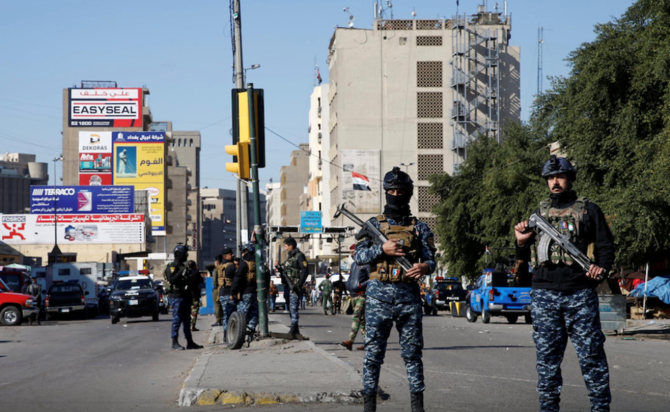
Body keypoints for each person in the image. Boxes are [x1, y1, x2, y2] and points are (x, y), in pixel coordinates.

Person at [514, 156, 614, 412]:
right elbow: (523, 261)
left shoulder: (589, 210)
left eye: (559, 177)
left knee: (592, 357)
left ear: (569, 179)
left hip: (580, 293)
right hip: (545, 295)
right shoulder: (538, 215)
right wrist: (521, 243)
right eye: (550, 178)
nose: (555, 182)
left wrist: (600, 271)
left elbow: (605, 247)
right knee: (547, 361)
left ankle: (600, 408)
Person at [354, 166, 436, 412]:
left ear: (409, 194)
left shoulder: (420, 227)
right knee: (373, 356)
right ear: (385, 192)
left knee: (412, 355)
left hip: (408, 300)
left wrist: (424, 267)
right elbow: (358, 256)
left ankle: (417, 406)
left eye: (401, 191)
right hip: (378, 299)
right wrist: (382, 249)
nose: (396, 195)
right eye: (392, 191)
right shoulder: (372, 226)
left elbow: (432, 260)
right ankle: (369, 405)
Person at [165, 244, 203, 350]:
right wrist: (181, 273)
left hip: (185, 296)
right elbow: (171, 279)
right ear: (178, 254)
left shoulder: (184, 267)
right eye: (184, 253)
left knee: (187, 320)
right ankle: (174, 342)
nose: (186, 255)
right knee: (177, 320)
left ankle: (190, 342)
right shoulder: (172, 266)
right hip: (176, 296)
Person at [341, 244, 369, 351]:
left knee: (356, 317)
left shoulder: (366, 264)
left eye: (353, 252)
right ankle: (367, 343)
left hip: (362, 295)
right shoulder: (353, 265)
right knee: (362, 321)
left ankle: (350, 340)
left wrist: (361, 285)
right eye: (350, 252)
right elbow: (351, 278)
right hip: (353, 295)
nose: (351, 254)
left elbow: (371, 278)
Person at [278, 237, 309, 336]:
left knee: (293, 307)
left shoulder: (299, 256)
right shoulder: (290, 257)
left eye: (286, 246)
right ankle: (294, 328)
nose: (285, 248)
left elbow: (305, 271)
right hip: (287, 285)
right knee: (290, 307)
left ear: (291, 246)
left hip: (294, 286)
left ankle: (294, 327)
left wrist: (299, 284)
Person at [231, 244, 259, 333]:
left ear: (246, 252)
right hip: (256, 293)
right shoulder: (258, 263)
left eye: (243, 252)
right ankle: (251, 332)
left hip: (245, 292)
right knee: (254, 313)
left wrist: (232, 292)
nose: (242, 254)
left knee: (241, 315)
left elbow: (237, 279)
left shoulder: (244, 264)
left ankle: (239, 335)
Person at [218, 248, 238, 342]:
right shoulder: (231, 267)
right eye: (231, 254)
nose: (233, 255)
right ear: (226, 256)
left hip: (222, 293)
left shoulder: (221, 266)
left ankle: (226, 336)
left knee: (226, 315)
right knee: (231, 316)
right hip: (229, 293)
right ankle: (229, 336)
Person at [189, 260, 204, 332]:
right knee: (194, 310)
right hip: (194, 294)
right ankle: (192, 326)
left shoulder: (186, 272)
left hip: (187, 294)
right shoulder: (196, 272)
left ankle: (187, 325)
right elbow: (201, 280)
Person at [211, 255, 224, 327]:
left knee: (217, 305)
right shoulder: (224, 267)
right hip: (224, 288)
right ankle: (222, 319)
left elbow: (214, 281)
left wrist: (214, 286)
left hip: (217, 289)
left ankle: (218, 320)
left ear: (217, 262)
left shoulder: (216, 269)